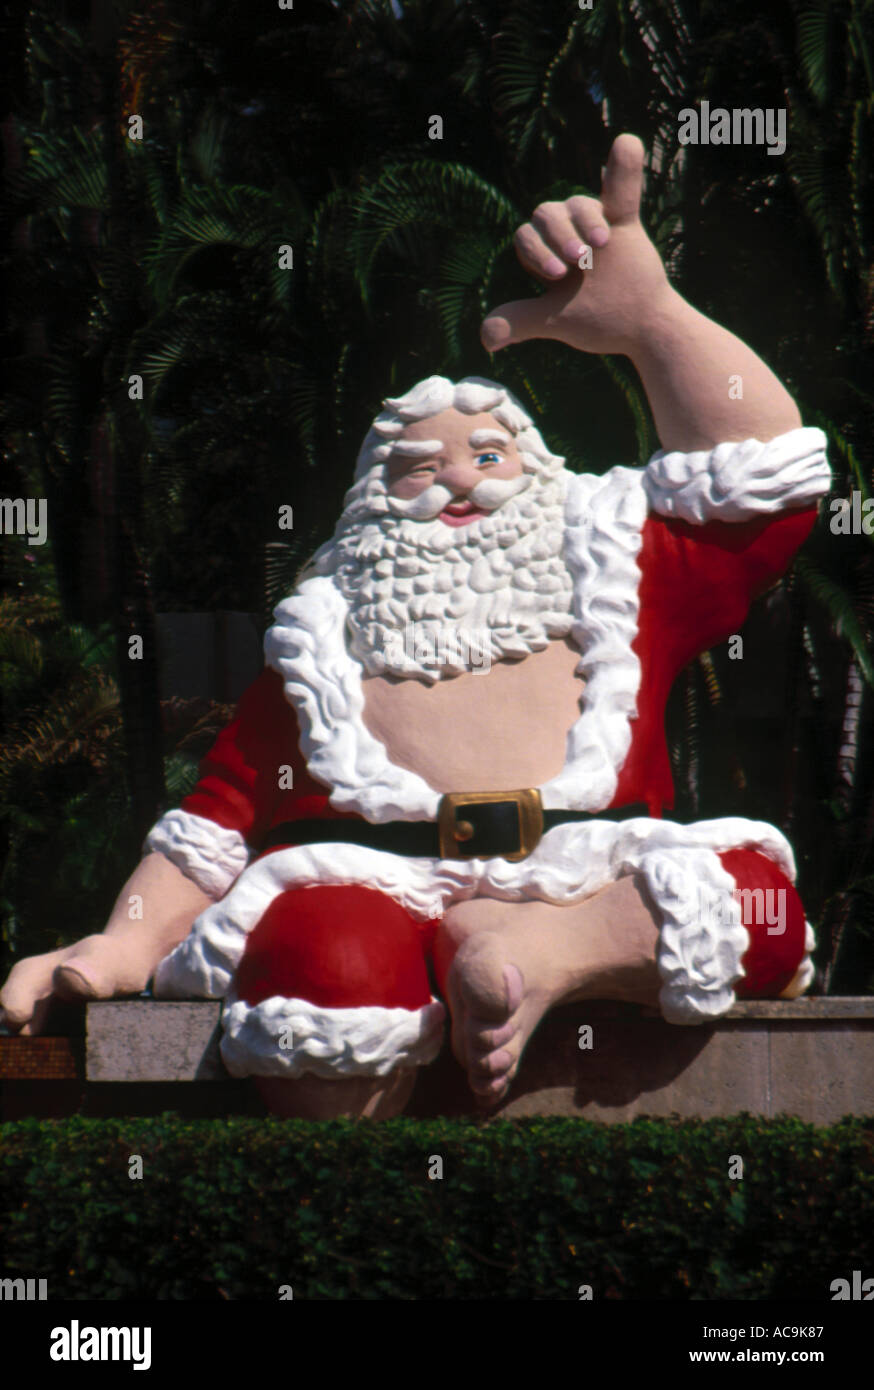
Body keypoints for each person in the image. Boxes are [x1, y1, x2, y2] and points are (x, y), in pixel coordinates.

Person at [0, 135, 830, 1118]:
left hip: (585, 881)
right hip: (377, 883)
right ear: (366, 507)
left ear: (543, 476)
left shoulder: (615, 568)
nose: (461, 478)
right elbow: (211, 828)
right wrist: (119, 943)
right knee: (321, 955)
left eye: (489, 453)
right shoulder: (323, 647)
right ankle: (362, 1205)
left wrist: (653, 322)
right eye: (419, 467)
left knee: (761, 907)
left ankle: (532, 953)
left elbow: (766, 484)